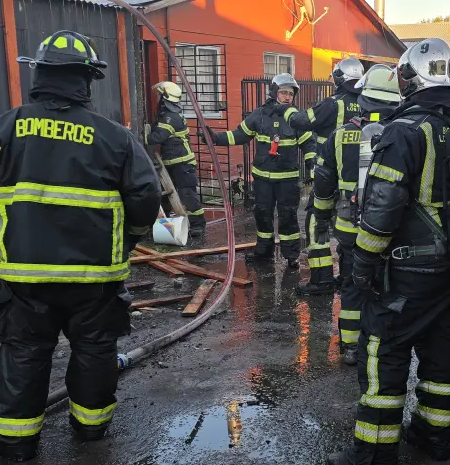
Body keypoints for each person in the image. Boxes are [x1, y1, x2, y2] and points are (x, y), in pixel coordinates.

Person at [0, 30, 161, 461]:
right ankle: (91, 429)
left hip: (23, 275)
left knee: (25, 351)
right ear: (87, 80)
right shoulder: (115, 137)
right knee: (94, 349)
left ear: (40, 73)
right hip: (95, 276)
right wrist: (124, 246)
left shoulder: (1, 131)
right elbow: (146, 197)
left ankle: (15, 439)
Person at [325, 38, 450, 465]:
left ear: (412, 79)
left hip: (410, 269)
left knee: (384, 351)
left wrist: (364, 263)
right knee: (442, 345)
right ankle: (433, 435)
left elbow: (384, 205)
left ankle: (372, 459)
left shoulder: (406, 130)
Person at [312, 65, 401, 365]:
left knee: (351, 286)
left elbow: (323, 185)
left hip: (350, 229)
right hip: (391, 231)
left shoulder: (340, 136)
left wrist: (322, 220)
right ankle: (382, 343)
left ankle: (350, 347)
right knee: (385, 287)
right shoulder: (403, 132)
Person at [283, 58, 365, 295]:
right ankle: (348, 278)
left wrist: (286, 109)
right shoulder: (366, 102)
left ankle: (322, 279)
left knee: (315, 223)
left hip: (328, 177)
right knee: (349, 228)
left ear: (339, 78)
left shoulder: (332, 104)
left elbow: (300, 121)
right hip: (356, 180)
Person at [218, 73, 315, 266]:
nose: (288, 97)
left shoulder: (297, 118)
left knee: (288, 216)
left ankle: (291, 256)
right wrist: (215, 138)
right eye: (283, 93)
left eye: (290, 94)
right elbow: (240, 135)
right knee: (262, 215)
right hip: (263, 179)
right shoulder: (259, 115)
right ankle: (263, 252)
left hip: (287, 180)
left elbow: (309, 145)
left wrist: (313, 165)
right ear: (274, 93)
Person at [145, 81, 205, 238]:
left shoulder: (171, 118)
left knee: (187, 194)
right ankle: (163, 225)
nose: (157, 97)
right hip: (172, 162)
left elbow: (157, 137)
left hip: (183, 163)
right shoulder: (167, 115)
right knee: (165, 195)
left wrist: (137, 134)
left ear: (165, 98)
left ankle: (198, 225)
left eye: (159, 95)